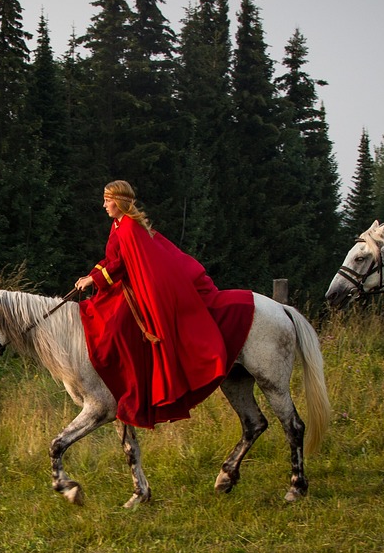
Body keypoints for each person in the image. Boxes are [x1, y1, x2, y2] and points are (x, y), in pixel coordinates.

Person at [74, 180, 253, 427]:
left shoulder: (128, 227)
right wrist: (90, 275)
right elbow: (111, 258)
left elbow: (121, 264)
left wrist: (94, 280)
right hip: (125, 283)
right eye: (104, 199)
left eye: (108, 200)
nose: (104, 205)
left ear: (121, 201)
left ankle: (134, 384)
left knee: (116, 326)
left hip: (140, 286)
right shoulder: (117, 224)